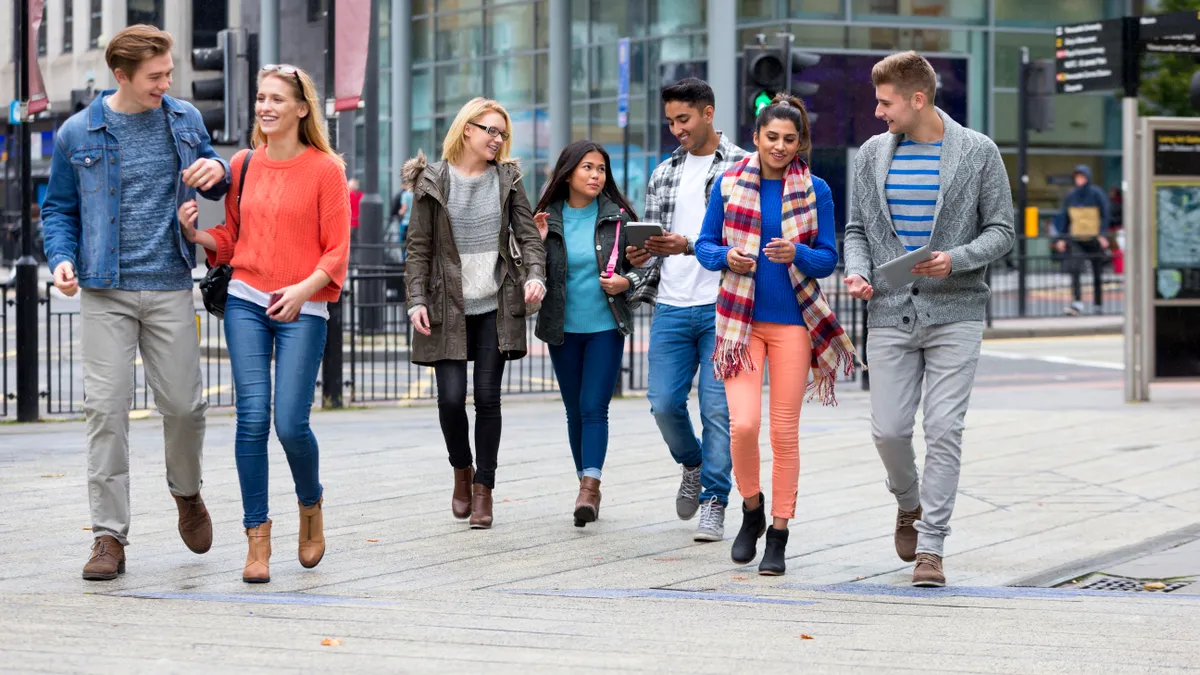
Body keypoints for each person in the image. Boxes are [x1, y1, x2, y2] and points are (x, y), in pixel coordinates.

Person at [40, 25, 230, 581]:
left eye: (169, 73)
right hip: (104, 288)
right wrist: (61, 260)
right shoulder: (79, 133)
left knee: (186, 408)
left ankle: (187, 493)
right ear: (121, 75)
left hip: (171, 281)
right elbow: (58, 210)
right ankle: (108, 536)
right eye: (156, 76)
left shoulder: (184, 119)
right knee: (105, 411)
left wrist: (216, 173)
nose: (166, 84)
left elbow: (215, 183)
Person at [842, 51, 1015, 587]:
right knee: (889, 430)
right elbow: (855, 231)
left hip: (956, 310)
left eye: (885, 101)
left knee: (944, 429)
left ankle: (932, 547)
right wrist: (856, 270)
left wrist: (955, 259)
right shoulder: (871, 155)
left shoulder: (978, 152)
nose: (877, 112)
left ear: (918, 99)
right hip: (891, 310)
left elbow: (1002, 231)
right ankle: (908, 502)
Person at [178, 64, 350, 584]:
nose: (265, 107)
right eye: (260, 98)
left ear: (302, 108)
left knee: (291, 424)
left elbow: (337, 249)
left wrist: (302, 291)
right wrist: (200, 237)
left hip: (305, 303)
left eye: (277, 98)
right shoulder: (245, 163)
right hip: (247, 299)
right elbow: (233, 236)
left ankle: (311, 506)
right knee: (251, 417)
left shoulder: (326, 170)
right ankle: (257, 537)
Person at [695, 94, 854, 576]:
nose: (780, 146)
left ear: (799, 141)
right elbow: (704, 246)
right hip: (739, 325)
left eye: (789, 139)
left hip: (792, 325)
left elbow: (828, 256)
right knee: (742, 425)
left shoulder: (817, 189)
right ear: (757, 138)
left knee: (784, 434)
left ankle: (779, 533)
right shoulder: (728, 183)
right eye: (771, 137)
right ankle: (751, 509)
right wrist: (727, 258)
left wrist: (797, 255)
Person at [403, 97, 546, 530]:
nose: (498, 139)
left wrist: (534, 274)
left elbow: (529, 236)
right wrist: (415, 300)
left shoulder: (508, 179)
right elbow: (418, 248)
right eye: (491, 130)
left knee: (487, 399)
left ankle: (484, 489)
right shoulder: (433, 180)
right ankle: (461, 471)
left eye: (503, 133)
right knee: (450, 399)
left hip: (495, 303)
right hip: (447, 304)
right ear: (467, 129)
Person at [625, 77, 747, 542]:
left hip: (723, 306)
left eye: (684, 119)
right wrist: (643, 257)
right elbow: (657, 248)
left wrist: (688, 245)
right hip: (672, 306)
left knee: (719, 411)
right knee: (663, 404)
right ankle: (692, 464)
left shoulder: (742, 166)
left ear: (708, 113)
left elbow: (745, 241)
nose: (676, 128)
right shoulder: (663, 173)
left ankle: (715, 500)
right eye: (671, 120)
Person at [532, 141, 650, 527]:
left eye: (601, 169)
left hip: (605, 326)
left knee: (593, 407)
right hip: (562, 327)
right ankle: (588, 481)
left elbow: (646, 270)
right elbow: (528, 271)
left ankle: (589, 486)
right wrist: (534, 240)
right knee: (573, 411)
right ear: (568, 174)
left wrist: (625, 283)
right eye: (587, 168)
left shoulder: (619, 218)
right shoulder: (547, 218)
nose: (596, 175)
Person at [1053, 166, 1110, 316]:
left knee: (1097, 273)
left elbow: (1105, 214)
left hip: (1094, 238)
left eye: (1082, 177)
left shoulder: (1096, 193)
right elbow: (1065, 217)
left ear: (1088, 178)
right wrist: (1062, 238)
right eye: (1077, 177)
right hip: (1077, 238)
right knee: (1075, 269)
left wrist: (1102, 234)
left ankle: (1098, 304)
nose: (1079, 180)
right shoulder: (1071, 195)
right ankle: (1077, 303)